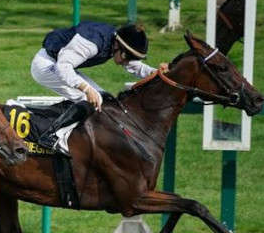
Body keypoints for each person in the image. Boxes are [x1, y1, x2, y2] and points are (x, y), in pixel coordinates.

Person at [31, 21, 169, 150]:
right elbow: (63, 67)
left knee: (104, 99)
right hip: (47, 65)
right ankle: (52, 137)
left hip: (60, 64)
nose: (127, 62)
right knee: (89, 99)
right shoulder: (91, 43)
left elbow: (133, 66)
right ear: (118, 47)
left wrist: (156, 73)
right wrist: (86, 89)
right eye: (127, 57)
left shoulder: (114, 42)